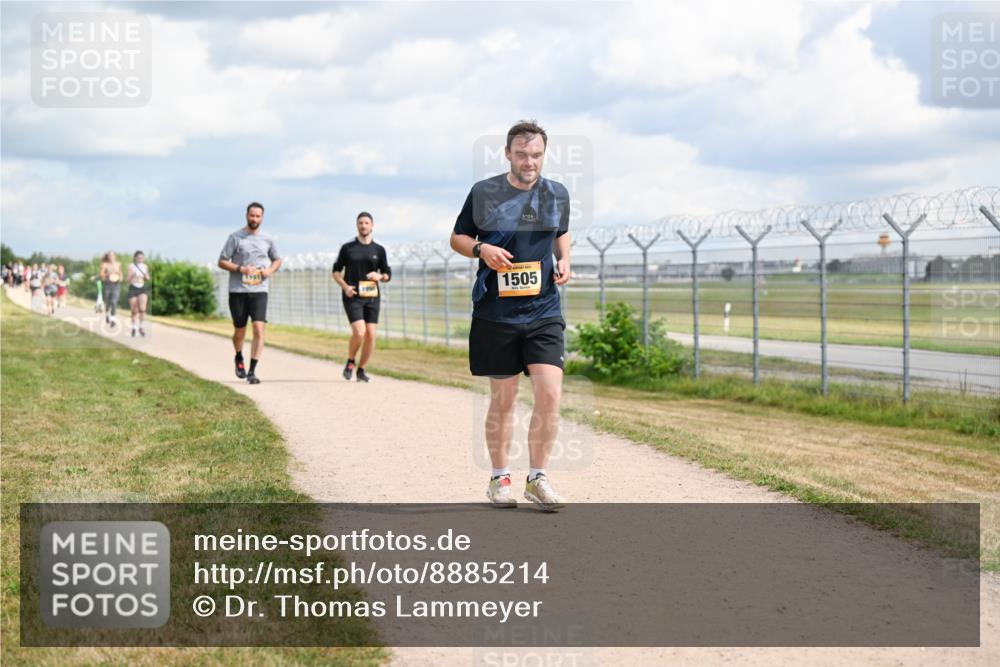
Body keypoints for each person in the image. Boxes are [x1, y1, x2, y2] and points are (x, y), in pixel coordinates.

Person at [449, 120, 572, 511]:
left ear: (543, 154)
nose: (529, 161)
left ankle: (537, 479)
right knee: (504, 399)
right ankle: (499, 477)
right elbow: (457, 238)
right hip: (496, 312)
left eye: (536, 154)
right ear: (507, 154)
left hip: (543, 309)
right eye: (521, 154)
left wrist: (565, 258)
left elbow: (560, 232)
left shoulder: (557, 193)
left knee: (550, 393)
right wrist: (481, 250)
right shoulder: (484, 192)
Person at [217, 202, 282, 385]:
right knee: (240, 330)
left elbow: (277, 260)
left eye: (258, 216)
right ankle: (239, 357)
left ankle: (252, 371)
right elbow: (221, 261)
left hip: (259, 290)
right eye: (252, 216)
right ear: (247, 215)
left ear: (262, 217)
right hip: (238, 291)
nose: (254, 219)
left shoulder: (268, 239)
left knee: (259, 329)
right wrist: (241, 268)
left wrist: (269, 271)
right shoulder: (236, 237)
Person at [332, 212, 392, 383]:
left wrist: (380, 276)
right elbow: (336, 271)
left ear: (372, 226)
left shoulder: (379, 250)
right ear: (357, 226)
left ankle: (361, 370)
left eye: (366, 223)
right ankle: (351, 360)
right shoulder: (348, 248)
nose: (363, 226)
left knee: (371, 335)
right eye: (360, 223)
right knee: (360, 332)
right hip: (353, 296)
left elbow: (387, 273)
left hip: (372, 297)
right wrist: (345, 287)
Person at [127, 251, 151, 337]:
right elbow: (128, 280)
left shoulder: (145, 266)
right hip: (133, 288)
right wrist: (132, 275)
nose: (140, 259)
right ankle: (134, 328)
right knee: (134, 310)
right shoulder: (131, 266)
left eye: (142, 257)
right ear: (135, 258)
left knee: (142, 309)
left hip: (142, 288)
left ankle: (141, 327)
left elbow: (148, 277)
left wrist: (146, 276)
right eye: (139, 257)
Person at [100, 251, 122, 328]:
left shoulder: (118, 264)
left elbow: (120, 273)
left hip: (116, 285)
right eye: (110, 256)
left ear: (115, 256)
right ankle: (107, 315)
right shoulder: (105, 264)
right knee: (108, 302)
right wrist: (107, 274)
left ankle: (113, 319)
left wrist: (121, 277)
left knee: (114, 302)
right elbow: (101, 274)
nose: (111, 257)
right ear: (108, 257)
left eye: (113, 255)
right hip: (108, 285)